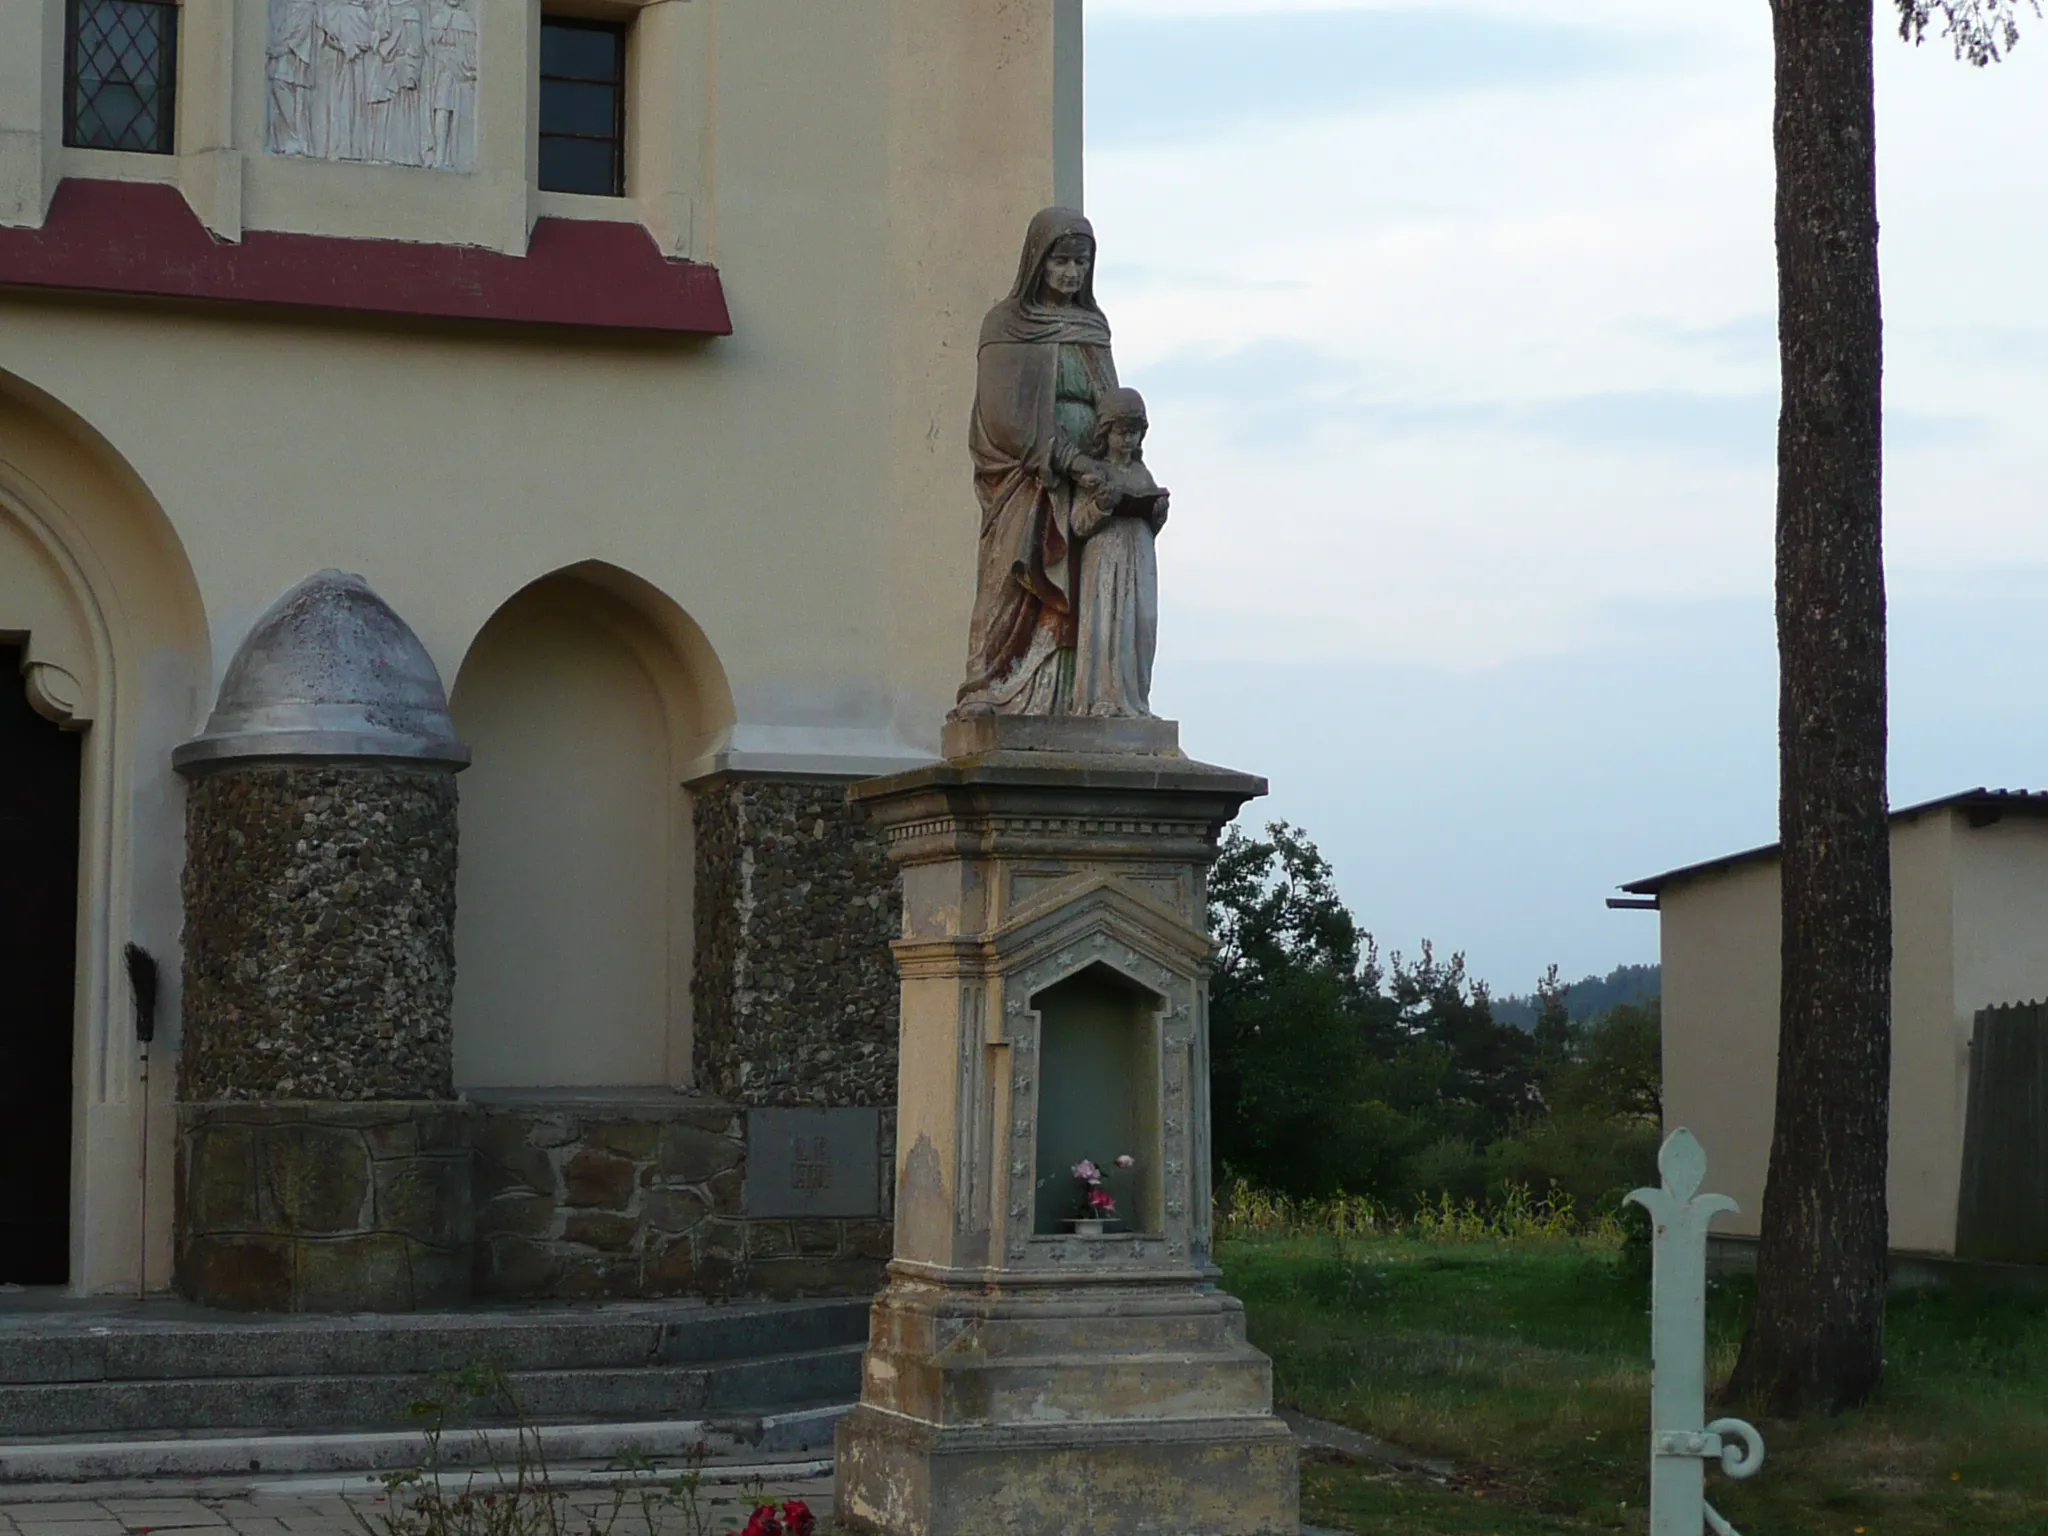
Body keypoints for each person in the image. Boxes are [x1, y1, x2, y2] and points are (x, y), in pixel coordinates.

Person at [954, 207, 1123, 719]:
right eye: (1061, 261)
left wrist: (1113, 452)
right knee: (1016, 582)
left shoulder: (1091, 325)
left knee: (1079, 593)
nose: (1071, 273)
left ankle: (1071, 696)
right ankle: (993, 686)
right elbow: (1003, 415)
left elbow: (1108, 399)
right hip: (1028, 480)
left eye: (1082, 262)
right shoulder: (1006, 324)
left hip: (1086, 482)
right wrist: (1068, 460)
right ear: (1037, 262)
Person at [1071, 388, 1168, 717]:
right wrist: (1101, 505)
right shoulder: (1095, 473)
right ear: (1106, 432)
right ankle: (1104, 698)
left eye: (1134, 433)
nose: (1128, 440)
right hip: (1106, 557)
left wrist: (1157, 513)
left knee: (1142, 625)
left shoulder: (1143, 473)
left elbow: (1152, 524)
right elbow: (1079, 524)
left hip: (1140, 558)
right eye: (1121, 432)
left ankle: (1136, 701)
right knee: (1109, 625)